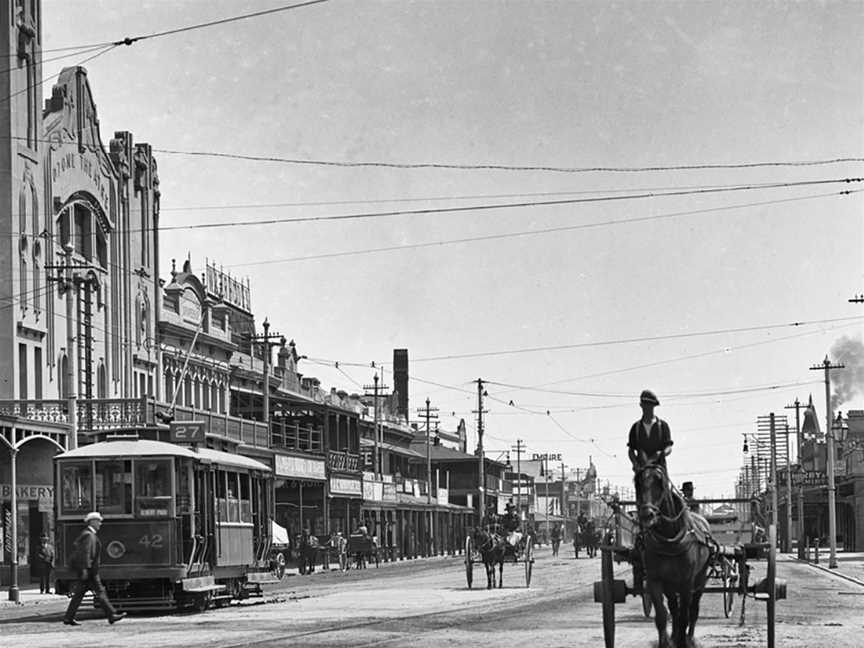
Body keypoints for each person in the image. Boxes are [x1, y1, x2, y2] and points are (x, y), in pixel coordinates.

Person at [63, 512, 126, 626]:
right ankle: (111, 615)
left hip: (88, 570)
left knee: (79, 595)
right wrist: (85, 569)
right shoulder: (89, 535)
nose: (100, 524)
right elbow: (86, 553)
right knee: (100, 592)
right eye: (99, 521)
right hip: (90, 571)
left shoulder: (87, 534)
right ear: (93, 522)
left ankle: (69, 617)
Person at [627, 390, 672, 469]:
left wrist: (661, 454)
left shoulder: (662, 426)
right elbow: (631, 450)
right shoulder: (635, 427)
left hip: (659, 468)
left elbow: (668, 447)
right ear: (641, 405)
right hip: (641, 469)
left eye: (650, 405)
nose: (647, 408)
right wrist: (635, 463)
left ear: (654, 406)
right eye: (645, 405)